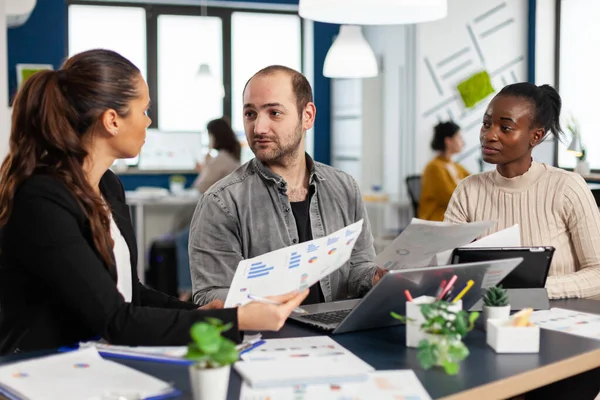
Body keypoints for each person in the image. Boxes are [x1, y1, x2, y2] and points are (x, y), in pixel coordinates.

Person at [0, 49, 308, 355]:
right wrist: (235, 319)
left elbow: (130, 293)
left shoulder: (108, 186)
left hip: (93, 360)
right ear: (112, 120)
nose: (148, 122)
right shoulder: (41, 199)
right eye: (144, 110)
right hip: (38, 371)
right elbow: (115, 320)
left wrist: (198, 314)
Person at [189, 65, 385, 306]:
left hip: (337, 335)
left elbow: (358, 268)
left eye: (274, 113)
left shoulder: (345, 188)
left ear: (308, 116)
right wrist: (265, 299)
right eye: (250, 114)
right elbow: (210, 295)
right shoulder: (221, 202)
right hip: (267, 340)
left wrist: (377, 277)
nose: (258, 128)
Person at [444, 82, 600, 300]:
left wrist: (527, 289)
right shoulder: (468, 191)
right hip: (490, 319)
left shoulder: (567, 188)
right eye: (486, 124)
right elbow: (447, 270)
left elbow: (598, 274)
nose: (489, 135)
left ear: (536, 136)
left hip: (560, 321)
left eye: (505, 128)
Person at [175, 117, 242, 301]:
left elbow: (201, 186)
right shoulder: (228, 157)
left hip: (220, 218)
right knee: (181, 226)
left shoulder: (221, 159)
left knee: (182, 239)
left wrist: (206, 167)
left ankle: (186, 291)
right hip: (226, 215)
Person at [419, 121, 470, 221]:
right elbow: (450, 198)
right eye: (459, 138)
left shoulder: (456, 166)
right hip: (438, 219)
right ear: (448, 141)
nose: (463, 142)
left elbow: (475, 184)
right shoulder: (433, 167)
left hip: (455, 218)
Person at [192, 117, 241, 193]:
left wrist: (207, 165)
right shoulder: (229, 155)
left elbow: (200, 187)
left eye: (209, 135)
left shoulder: (221, 158)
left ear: (214, 136)